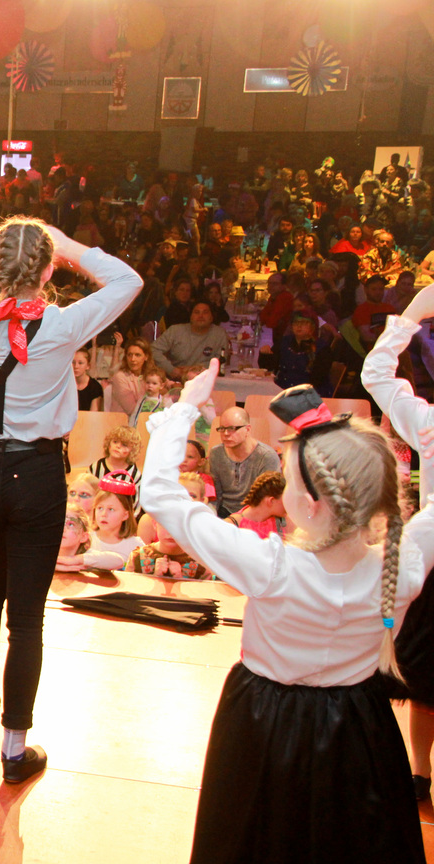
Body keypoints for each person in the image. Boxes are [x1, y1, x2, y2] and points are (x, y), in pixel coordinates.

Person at [142, 368, 428, 864]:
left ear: (310, 504)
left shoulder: (270, 565)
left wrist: (185, 407)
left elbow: (161, 496)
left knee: (253, 839)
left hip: (263, 722)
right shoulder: (403, 567)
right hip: (360, 726)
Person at [0, 215, 142, 781]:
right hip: (37, 472)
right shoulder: (63, 324)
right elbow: (128, 281)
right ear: (46, 271)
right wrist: (72, 247)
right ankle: (14, 750)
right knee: (27, 616)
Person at [361, 281, 434, 806]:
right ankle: (420, 774)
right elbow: (376, 375)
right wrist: (411, 314)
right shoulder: (428, 422)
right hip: (431, 564)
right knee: (422, 679)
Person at [209, 407, 281, 518]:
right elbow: (215, 495)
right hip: (224, 511)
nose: (226, 433)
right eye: (222, 429)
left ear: (247, 429)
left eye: (232, 428)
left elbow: (266, 500)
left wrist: (239, 519)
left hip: (255, 513)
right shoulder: (216, 453)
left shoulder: (266, 456)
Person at [152, 299, 229, 379]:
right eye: (197, 312)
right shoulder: (175, 331)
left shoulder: (219, 334)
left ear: (212, 317)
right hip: (175, 379)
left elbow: (220, 362)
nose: (201, 316)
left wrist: (193, 370)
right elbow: (153, 349)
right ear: (191, 316)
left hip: (205, 379)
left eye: (205, 312)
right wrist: (171, 369)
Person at [223, 470, 287, 539]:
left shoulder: (280, 521)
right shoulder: (231, 525)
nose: (288, 505)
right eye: (285, 499)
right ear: (271, 501)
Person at [108, 337, 154, 415]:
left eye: (137, 355)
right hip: (125, 421)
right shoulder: (120, 377)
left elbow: (165, 384)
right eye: (130, 355)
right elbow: (132, 410)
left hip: (146, 418)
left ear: (146, 357)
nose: (132, 359)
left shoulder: (150, 374)